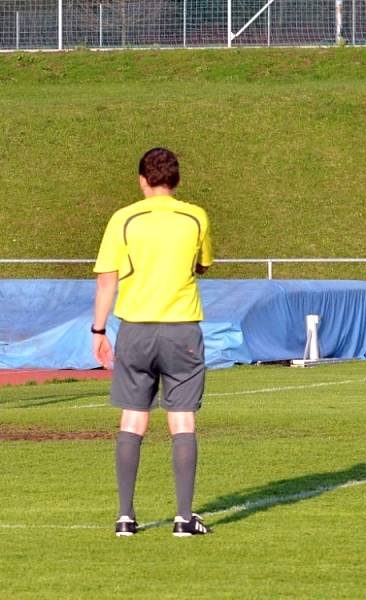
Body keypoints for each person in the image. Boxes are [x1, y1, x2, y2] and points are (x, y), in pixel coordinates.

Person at [92, 147, 213, 537]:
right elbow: (203, 264)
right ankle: (183, 517)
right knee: (182, 420)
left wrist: (98, 330)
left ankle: (125, 517)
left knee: (132, 417)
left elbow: (107, 279)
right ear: (176, 180)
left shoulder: (123, 218)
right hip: (181, 329)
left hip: (136, 329)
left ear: (142, 180)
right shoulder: (195, 216)